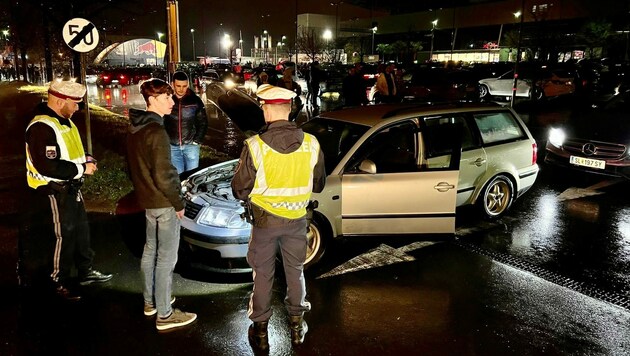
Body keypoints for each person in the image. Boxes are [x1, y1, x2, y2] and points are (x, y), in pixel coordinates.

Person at [231, 84, 326, 351]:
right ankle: (297, 328)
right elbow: (318, 183)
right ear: (288, 109)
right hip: (297, 221)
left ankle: (260, 332)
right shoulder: (312, 144)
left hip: (264, 223)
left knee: (262, 275)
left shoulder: (254, 146)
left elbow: (240, 189)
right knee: (295, 273)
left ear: (267, 110)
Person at [22, 80, 112, 301]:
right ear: (60, 101)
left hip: (71, 187)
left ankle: (85, 272)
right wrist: (82, 168)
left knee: (81, 233)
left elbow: (68, 153)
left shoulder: (64, 121)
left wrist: (85, 159)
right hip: (53, 191)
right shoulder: (42, 126)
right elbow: (47, 165)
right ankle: (55, 283)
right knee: (62, 237)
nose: (77, 108)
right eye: (74, 104)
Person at [126, 78, 197, 331]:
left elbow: (133, 167)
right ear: (152, 100)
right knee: (166, 257)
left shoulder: (136, 126)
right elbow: (165, 173)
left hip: (147, 200)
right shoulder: (156, 131)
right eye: (166, 96)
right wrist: (178, 203)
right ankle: (165, 314)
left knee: (150, 250)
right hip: (163, 202)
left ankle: (151, 301)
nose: (171, 100)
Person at [164, 71, 208, 174]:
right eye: (178, 86)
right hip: (173, 146)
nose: (181, 89)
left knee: (192, 177)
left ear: (188, 84)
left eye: (184, 86)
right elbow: (161, 122)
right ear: (172, 84)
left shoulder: (195, 101)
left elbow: (203, 122)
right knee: (178, 177)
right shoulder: (167, 100)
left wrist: (197, 140)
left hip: (191, 146)